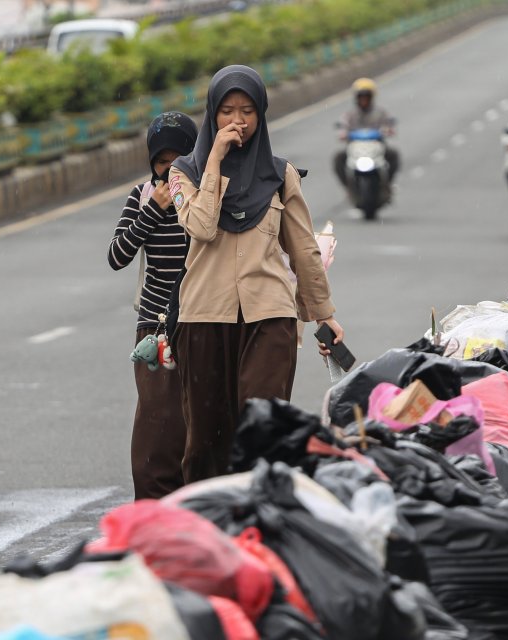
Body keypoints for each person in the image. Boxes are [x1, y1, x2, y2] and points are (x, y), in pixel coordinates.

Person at [169, 65, 344, 483]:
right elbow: (201, 226)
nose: (237, 121)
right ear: (211, 116)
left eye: (247, 110)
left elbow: (303, 248)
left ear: (261, 115)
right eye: (227, 111)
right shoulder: (183, 173)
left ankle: (262, 519)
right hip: (204, 319)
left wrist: (323, 314)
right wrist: (214, 161)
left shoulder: (280, 175)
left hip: (270, 317)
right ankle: (211, 526)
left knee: (262, 425)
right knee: (206, 439)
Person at [107, 111, 199, 499]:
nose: (171, 172)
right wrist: (154, 211)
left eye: (180, 162)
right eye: (163, 164)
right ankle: (153, 503)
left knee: (196, 418)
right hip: (157, 326)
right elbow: (117, 255)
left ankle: (193, 502)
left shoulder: (208, 197)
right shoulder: (143, 197)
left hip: (200, 319)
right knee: (158, 419)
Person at [333, 77, 400, 185]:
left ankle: (387, 184)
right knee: (338, 159)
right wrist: (343, 133)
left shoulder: (381, 112)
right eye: (361, 97)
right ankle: (348, 186)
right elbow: (343, 125)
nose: (364, 100)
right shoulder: (350, 115)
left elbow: (389, 123)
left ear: (371, 97)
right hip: (355, 149)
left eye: (366, 97)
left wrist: (388, 130)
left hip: (376, 148)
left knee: (394, 155)